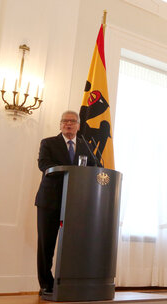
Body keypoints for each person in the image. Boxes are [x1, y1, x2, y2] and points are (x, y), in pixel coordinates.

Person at [34, 110, 97, 295]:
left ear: (78, 125)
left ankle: (68, 280)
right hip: (50, 201)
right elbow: (43, 164)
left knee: (72, 244)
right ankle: (46, 283)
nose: (68, 124)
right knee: (46, 244)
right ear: (60, 125)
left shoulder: (85, 145)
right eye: (65, 121)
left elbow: (93, 167)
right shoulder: (48, 143)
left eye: (72, 121)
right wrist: (67, 173)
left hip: (74, 202)